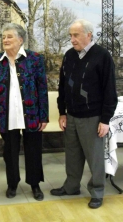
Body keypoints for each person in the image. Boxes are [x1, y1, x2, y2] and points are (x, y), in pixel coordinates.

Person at [50, 19, 118, 209]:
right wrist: (62, 112)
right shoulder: (69, 56)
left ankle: (97, 192)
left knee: (94, 157)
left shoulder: (102, 56)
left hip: (93, 117)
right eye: (70, 35)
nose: (72, 39)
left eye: (76, 35)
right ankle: (71, 186)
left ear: (88, 35)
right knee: (72, 155)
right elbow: (62, 86)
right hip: (71, 116)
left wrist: (105, 120)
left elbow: (109, 91)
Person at [0, 23, 48, 201]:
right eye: (3, 37)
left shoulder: (35, 59)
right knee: (10, 152)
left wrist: (43, 115)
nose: (5, 40)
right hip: (7, 115)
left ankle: (35, 185)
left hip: (31, 113)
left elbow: (42, 88)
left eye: (9, 36)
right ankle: (12, 184)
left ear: (20, 40)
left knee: (33, 150)